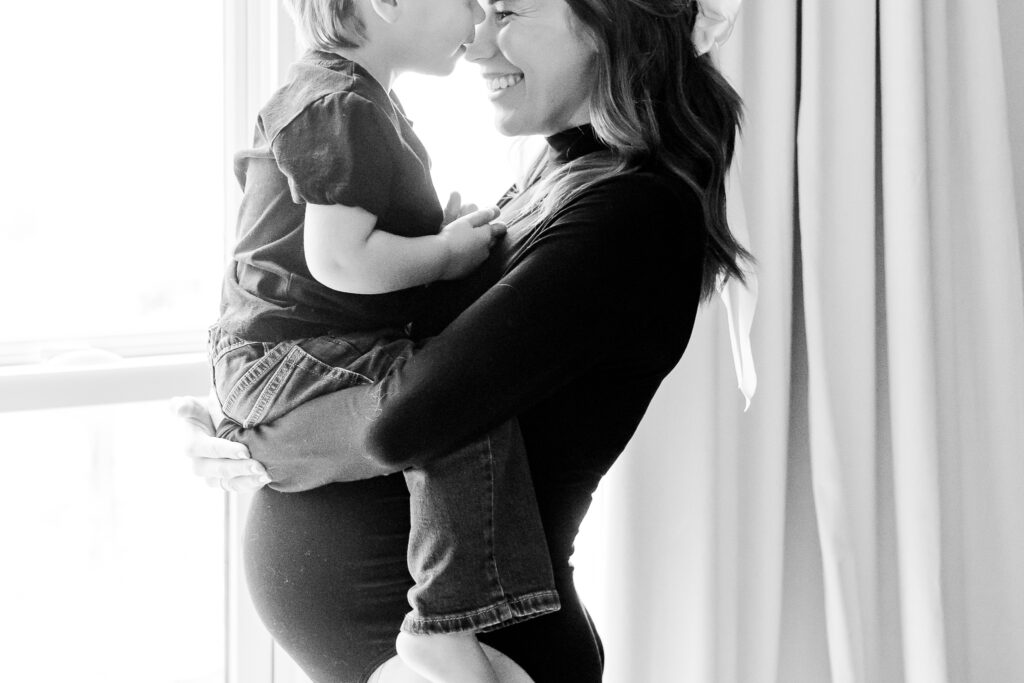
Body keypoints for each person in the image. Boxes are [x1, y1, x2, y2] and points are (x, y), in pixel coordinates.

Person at [178, 0, 752, 680]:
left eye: (505, 11)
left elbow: (406, 420)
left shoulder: (634, 211)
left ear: (611, 23)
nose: (478, 43)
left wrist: (267, 441)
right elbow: (394, 343)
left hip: (486, 654)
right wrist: (256, 402)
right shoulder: (561, 173)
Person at [207, 0, 563, 680]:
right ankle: (445, 621)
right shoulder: (343, 105)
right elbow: (340, 261)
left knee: (447, 397)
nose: (480, 17)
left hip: (288, 362)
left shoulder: (345, 98)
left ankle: (457, 616)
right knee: (449, 404)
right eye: (467, 0)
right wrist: (444, 256)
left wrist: (446, 242)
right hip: (288, 361)